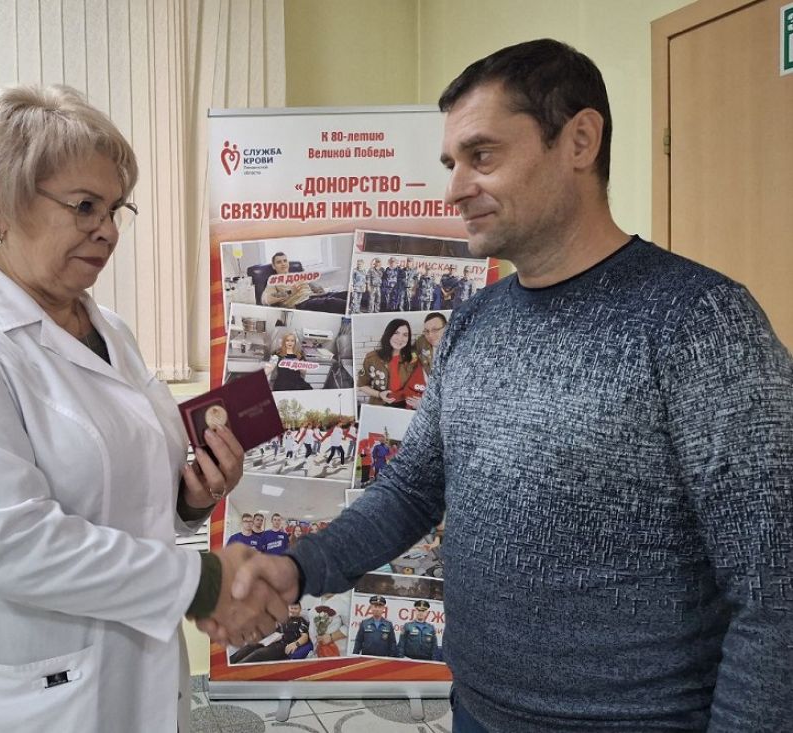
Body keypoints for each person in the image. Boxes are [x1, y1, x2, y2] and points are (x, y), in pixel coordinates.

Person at [215, 39, 793, 733]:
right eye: (451, 164)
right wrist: (301, 567)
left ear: (579, 140)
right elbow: (413, 488)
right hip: (478, 711)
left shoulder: (700, 321)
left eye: (482, 155)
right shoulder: (472, 322)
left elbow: (776, 585)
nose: (455, 188)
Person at [0, 84, 288, 733]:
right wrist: (204, 583)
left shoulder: (109, 328)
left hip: (128, 661)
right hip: (3, 685)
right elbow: (11, 544)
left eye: (116, 209)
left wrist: (190, 496)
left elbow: (118, 481)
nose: (108, 230)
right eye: (85, 206)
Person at [357, 318, 417, 407]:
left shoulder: (413, 357)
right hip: (380, 405)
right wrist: (379, 394)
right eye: (396, 333)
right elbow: (362, 385)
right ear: (388, 334)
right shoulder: (372, 358)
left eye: (405, 335)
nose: (400, 338)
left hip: (406, 406)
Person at [259, 252, 347, 313]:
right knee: (332, 303)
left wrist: (317, 287)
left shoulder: (297, 275)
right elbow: (266, 300)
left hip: (313, 296)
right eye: (279, 262)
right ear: (274, 266)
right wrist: (290, 292)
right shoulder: (273, 281)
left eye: (285, 261)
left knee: (345, 294)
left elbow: (314, 286)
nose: (283, 264)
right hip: (301, 304)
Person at [229, 602, 311, 663]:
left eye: (295, 608)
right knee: (249, 647)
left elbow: (305, 636)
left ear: (300, 610)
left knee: (258, 654)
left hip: (282, 645)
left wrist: (295, 644)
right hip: (270, 640)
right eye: (291, 608)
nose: (293, 610)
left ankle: (234, 671)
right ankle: (226, 665)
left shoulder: (301, 621)